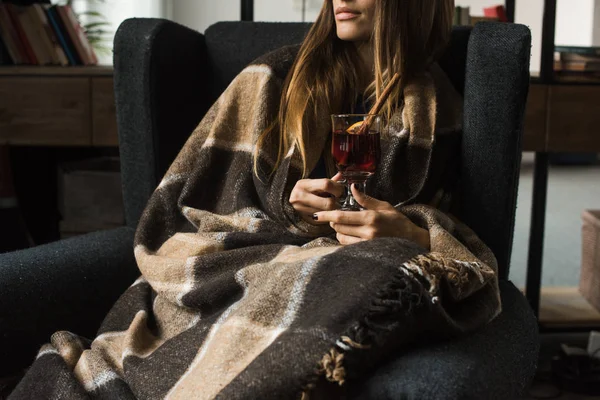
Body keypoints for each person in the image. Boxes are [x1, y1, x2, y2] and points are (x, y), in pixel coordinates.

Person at [9, 1, 501, 399]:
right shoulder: (270, 79)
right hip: (245, 264)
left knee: (384, 264)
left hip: (355, 268)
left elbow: (453, 242)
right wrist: (290, 208)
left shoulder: (440, 105)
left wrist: (410, 233)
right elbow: (188, 205)